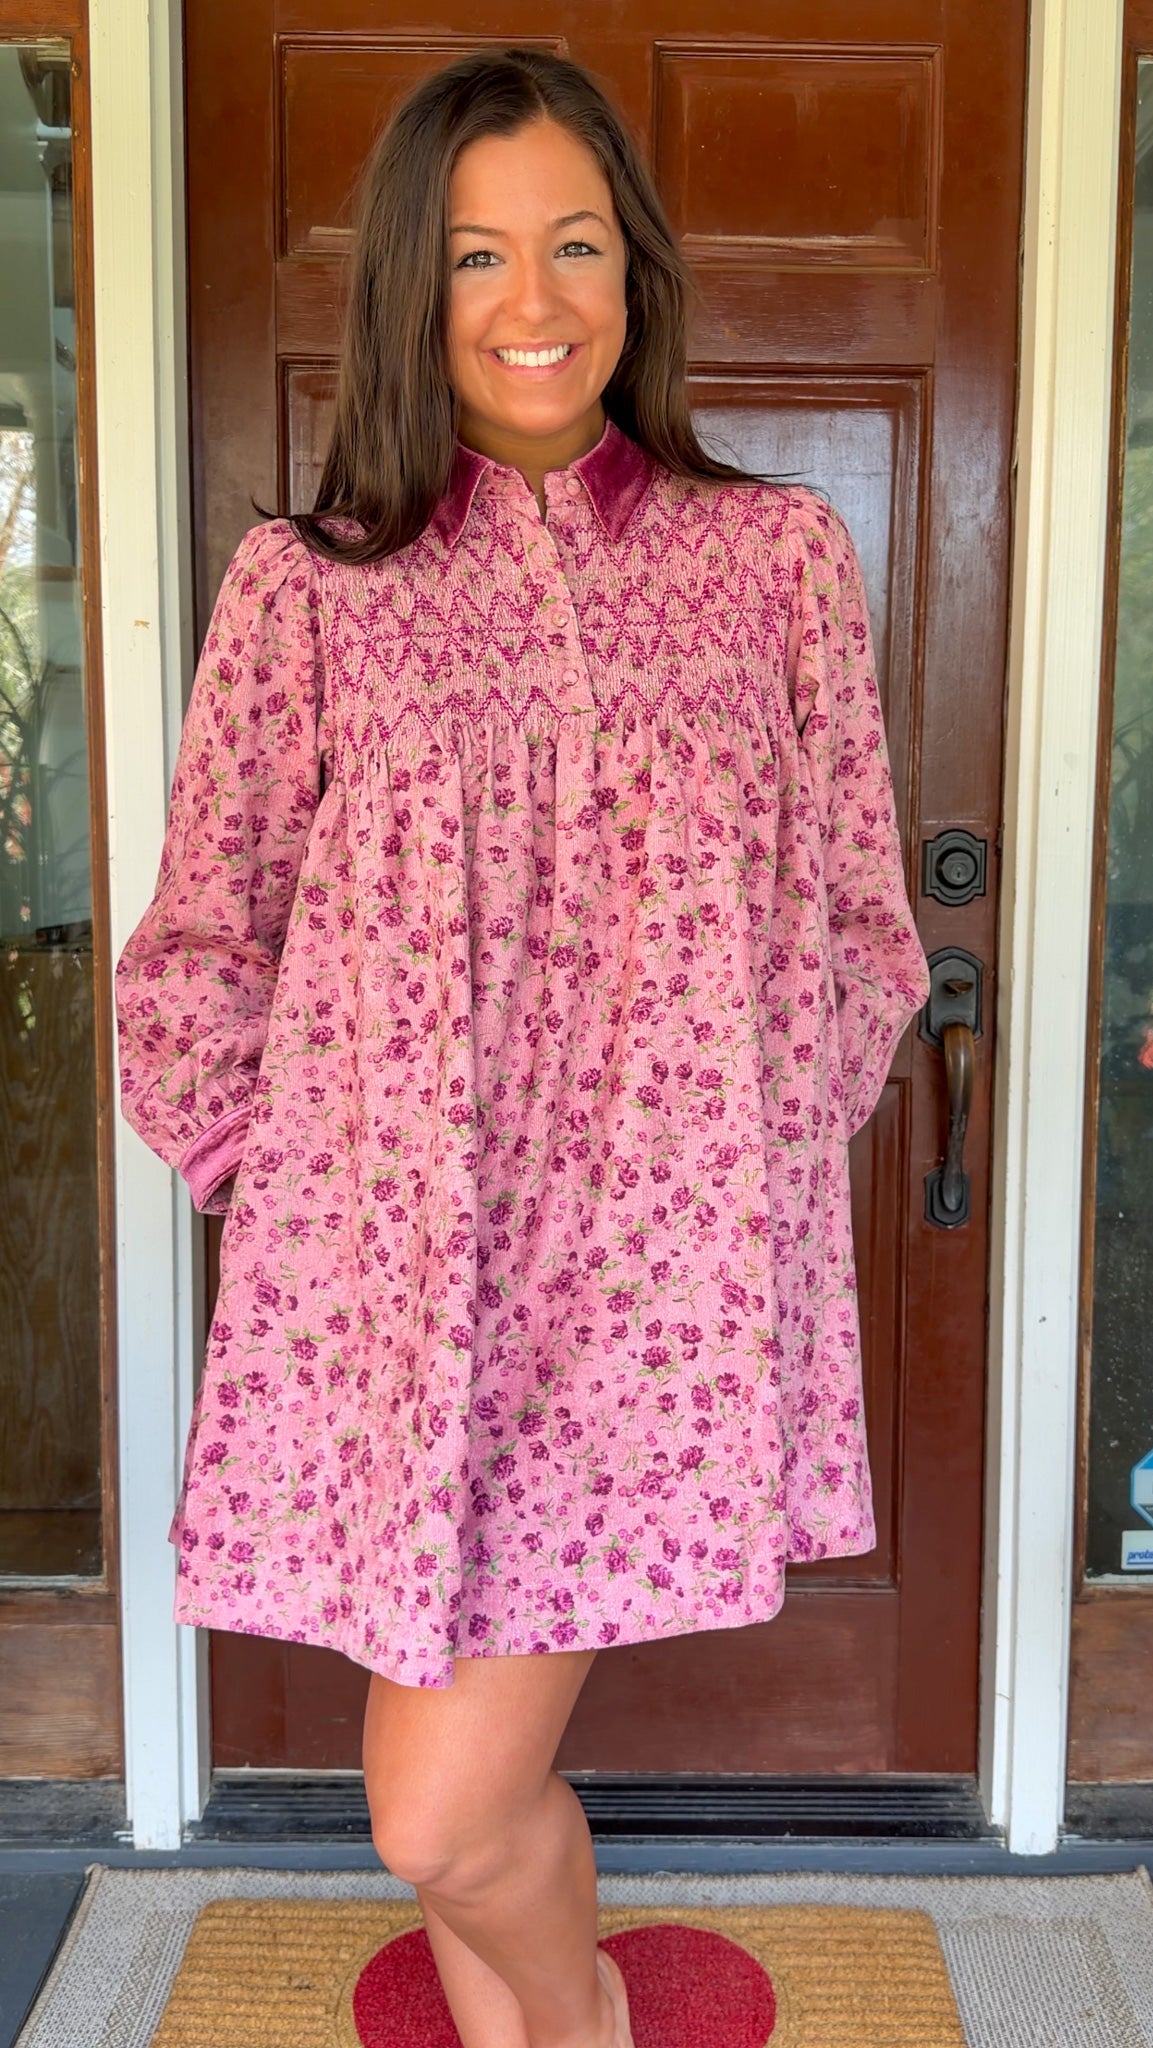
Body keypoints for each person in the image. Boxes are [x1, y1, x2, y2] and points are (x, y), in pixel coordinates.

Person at [114, 44, 931, 2048]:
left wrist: (733, 1171)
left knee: (435, 1809)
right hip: (404, 1295)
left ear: (636, 269)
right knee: (444, 1813)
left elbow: (858, 924)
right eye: (478, 255)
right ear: (414, 287)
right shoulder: (307, 592)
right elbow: (199, 949)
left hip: (647, 1299)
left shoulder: (775, 562)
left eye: (576, 243)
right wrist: (307, 1200)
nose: (535, 300)